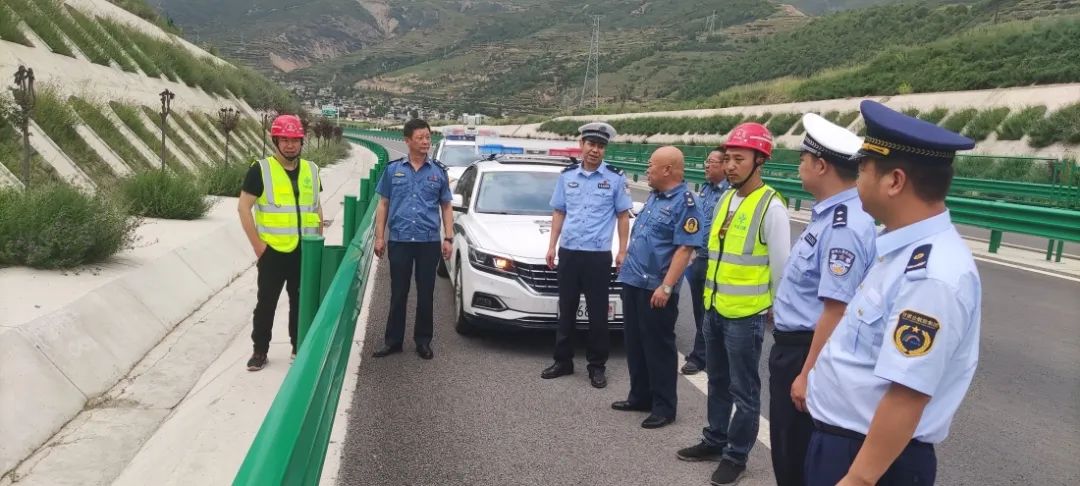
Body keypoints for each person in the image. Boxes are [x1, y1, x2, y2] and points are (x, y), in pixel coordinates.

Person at [804, 100, 980, 486]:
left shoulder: (931, 275)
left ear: (894, 181)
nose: (856, 181)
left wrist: (858, 478)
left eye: (862, 170)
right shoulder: (900, 250)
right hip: (847, 446)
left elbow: (907, 394)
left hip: (871, 463)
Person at [676, 122, 791, 485]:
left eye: (739, 159)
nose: (729, 166)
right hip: (715, 308)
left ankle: (736, 456)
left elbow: (781, 267)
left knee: (744, 390)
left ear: (760, 161)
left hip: (746, 315)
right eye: (727, 159)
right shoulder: (726, 198)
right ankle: (714, 439)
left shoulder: (771, 206)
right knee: (717, 380)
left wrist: (776, 310)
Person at [768, 113, 877, 486]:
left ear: (821, 165)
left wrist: (807, 373)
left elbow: (836, 308)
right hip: (796, 347)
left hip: (806, 352)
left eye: (803, 159)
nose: (799, 167)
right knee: (788, 452)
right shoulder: (830, 216)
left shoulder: (843, 226)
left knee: (796, 457)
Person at [610, 146, 703, 429]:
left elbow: (685, 249)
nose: (647, 170)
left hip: (656, 287)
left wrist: (666, 287)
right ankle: (640, 396)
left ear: (667, 169)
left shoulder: (686, 203)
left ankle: (664, 407)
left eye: (651, 165)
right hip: (634, 280)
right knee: (635, 343)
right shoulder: (655, 196)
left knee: (658, 348)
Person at [542, 121, 632, 389]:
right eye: (591, 144)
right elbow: (559, 211)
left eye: (601, 146)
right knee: (567, 309)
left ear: (605, 150)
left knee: (597, 313)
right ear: (581, 145)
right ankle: (563, 361)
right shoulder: (567, 176)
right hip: (569, 252)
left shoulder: (615, 178)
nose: (595, 150)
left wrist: (622, 250)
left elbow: (623, 216)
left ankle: (597, 366)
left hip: (597, 256)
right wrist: (551, 246)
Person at [238, 114, 323, 371]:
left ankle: (299, 347)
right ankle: (260, 351)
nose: (290, 145)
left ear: (302, 141)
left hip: (304, 249)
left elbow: (316, 207)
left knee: (301, 301)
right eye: (284, 140)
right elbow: (244, 208)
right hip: (272, 250)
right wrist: (258, 246)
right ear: (275, 141)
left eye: (294, 140)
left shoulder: (312, 169)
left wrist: (317, 241)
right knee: (266, 303)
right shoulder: (261, 170)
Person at [372, 119, 453, 360]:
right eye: (420, 138)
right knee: (398, 293)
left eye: (428, 137)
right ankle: (393, 341)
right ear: (407, 141)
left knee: (426, 293)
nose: (426, 141)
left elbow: (446, 206)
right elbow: (383, 204)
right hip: (400, 240)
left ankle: (423, 341)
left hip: (428, 242)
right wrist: (379, 237)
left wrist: (448, 238)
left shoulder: (438, 172)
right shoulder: (393, 170)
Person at [682, 147, 730, 376]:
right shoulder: (706, 189)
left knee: (710, 311)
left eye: (712, 162)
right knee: (700, 310)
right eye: (706, 161)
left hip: (716, 260)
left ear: (724, 165)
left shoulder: (731, 193)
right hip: (698, 257)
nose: (707, 166)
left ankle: (701, 356)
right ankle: (705, 353)